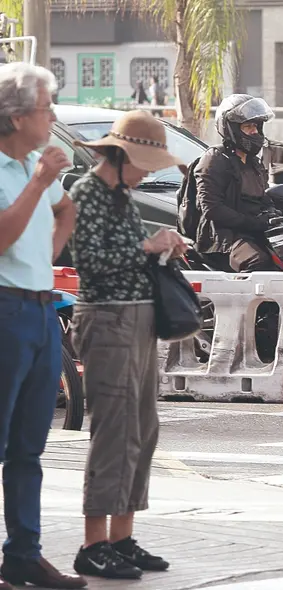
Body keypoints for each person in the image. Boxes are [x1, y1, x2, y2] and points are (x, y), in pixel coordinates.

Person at [68, 110, 185, 580]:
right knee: (113, 432)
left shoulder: (119, 195)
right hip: (107, 318)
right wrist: (147, 247)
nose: (148, 172)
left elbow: (132, 247)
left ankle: (122, 536)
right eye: (144, 163)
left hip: (137, 318)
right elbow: (88, 260)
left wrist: (162, 244)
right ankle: (93, 543)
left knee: (142, 429)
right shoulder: (88, 193)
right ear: (121, 155)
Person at [0, 61, 86, 590]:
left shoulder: (37, 164)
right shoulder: (24, 170)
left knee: (29, 447)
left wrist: (45, 258)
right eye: (45, 107)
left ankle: (24, 554)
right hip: (4, 310)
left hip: (39, 309)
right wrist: (38, 181)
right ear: (13, 115)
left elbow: (66, 211)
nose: (52, 116)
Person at [193, 94, 280, 272]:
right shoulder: (214, 159)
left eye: (256, 126)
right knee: (257, 261)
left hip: (253, 232)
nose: (254, 132)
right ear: (231, 128)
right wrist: (252, 223)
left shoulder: (253, 162)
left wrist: (277, 213)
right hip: (223, 237)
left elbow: (262, 197)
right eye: (248, 126)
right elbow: (211, 208)